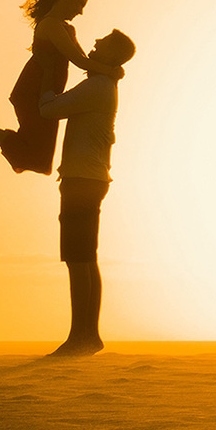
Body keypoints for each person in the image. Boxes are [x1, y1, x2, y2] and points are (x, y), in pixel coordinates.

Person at [0, 0, 122, 175]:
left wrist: (110, 69)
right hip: (33, 91)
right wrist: (111, 72)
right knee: (36, 156)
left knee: (39, 158)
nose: (81, 11)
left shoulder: (68, 29)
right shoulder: (49, 25)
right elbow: (79, 61)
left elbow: (86, 60)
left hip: (47, 93)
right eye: (80, 4)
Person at [38, 27, 137, 356]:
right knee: (84, 259)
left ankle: (82, 336)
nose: (95, 44)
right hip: (89, 178)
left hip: (82, 180)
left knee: (78, 259)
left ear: (112, 55)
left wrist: (45, 82)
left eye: (102, 43)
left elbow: (49, 108)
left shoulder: (97, 85)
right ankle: (86, 334)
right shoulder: (103, 82)